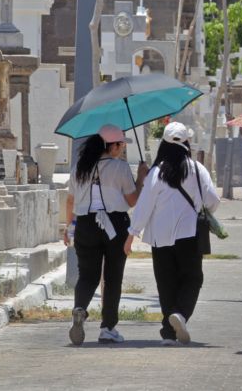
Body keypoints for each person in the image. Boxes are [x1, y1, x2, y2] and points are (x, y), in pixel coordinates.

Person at [123, 122, 220, 346]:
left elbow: (144, 206)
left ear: (163, 144)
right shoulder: (197, 169)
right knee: (193, 278)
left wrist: (132, 235)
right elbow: (213, 201)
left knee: (165, 282)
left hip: (160, 237)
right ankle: (181, 315)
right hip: (189, 234)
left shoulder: (156, 173)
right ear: (187, 142)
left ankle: (168, 332)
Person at [64, 124, 148, 345]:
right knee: (112, 278)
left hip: (85, 224)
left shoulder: (79, 169)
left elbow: (71, 201)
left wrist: (67, 226)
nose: (121, 149)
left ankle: (80, 307)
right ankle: (108, 328)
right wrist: (141, 178)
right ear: (112, 146)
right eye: (120, 145)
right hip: (115, 225)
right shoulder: (119, 168)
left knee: (87, 275)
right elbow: (133, 201)